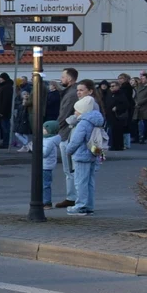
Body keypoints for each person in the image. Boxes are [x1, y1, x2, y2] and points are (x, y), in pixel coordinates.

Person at [64, 87, 103, 215]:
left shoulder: (83, 123)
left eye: (76, 109)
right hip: (93, 153)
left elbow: (76, 140)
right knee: (90, 181)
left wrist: (68, 150)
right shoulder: (96, 120)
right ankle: (89, 205)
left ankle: (80, 205)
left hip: (81, 155)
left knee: (80, 181)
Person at [54, 68, 81, 209]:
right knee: (72, 169)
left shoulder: (71, 94)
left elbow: (64, 114)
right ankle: (75, 197)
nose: (61, 79)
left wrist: (55, 128)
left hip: (67, 133)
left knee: (69, 169)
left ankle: (72, 197)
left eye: (63, 77)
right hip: (68, 132)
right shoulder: (71, 92)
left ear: (69, 79)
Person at [40, 120, 61, 209]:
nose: (42, 130)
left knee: (45, 185)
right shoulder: (47, 139)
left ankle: (47, 202)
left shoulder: (49, 141)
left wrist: (35, 148)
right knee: (44, 184)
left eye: (44, 129)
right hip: (45, 164)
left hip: (46, 165)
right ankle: (44, 201)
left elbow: (44, 153)